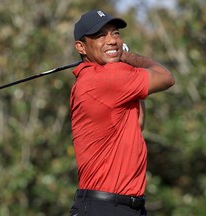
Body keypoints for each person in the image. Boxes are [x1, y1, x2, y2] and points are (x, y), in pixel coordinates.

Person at [69, 9, 175, 216]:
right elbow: (166, 77)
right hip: (104, 207)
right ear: (81, 47)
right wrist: (127, 56)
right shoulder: (105, 78)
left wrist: (120, 60)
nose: (111, 40)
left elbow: (138, 122)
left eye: (115, 33)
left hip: (123, 207)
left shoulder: (99, 79)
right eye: (100, 35)